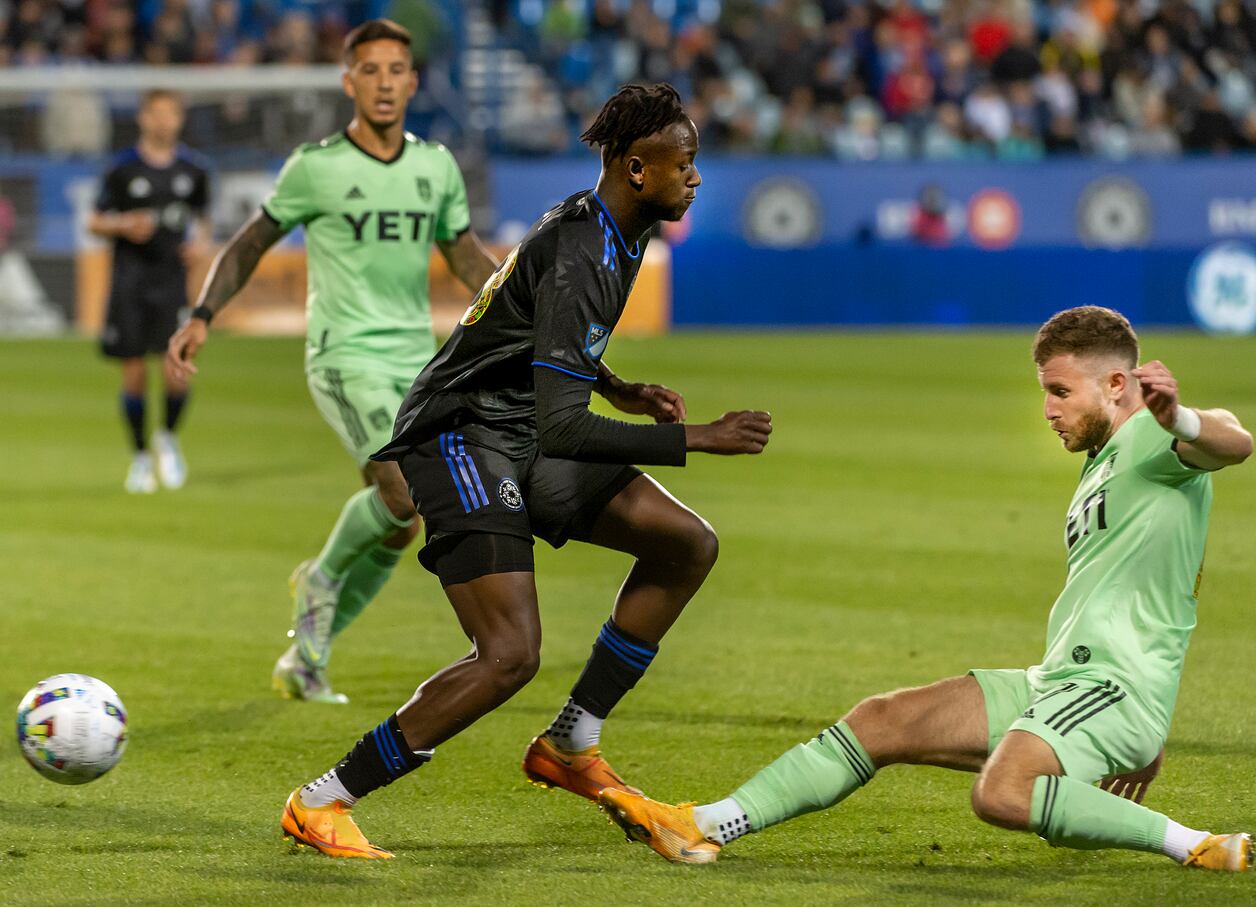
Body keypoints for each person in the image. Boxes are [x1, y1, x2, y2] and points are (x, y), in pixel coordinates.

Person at [277, 83, 774, 860]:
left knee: (685, 543)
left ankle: (572, 742)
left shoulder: (617, 224)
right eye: (686, 163)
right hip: (460, 434)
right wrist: (698, 438)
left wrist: (618, 385)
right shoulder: (585, 243)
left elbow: (538, 333)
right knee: (509, 654)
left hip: (517, 431)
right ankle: (323, 799)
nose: (696, 177)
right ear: (638, 167)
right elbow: (563, 424)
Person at [600, 305, 1256, 873]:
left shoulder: (1156, 440)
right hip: (1068, 682)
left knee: (1004, 791)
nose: (1049, 410)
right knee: (883, 719)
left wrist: (1183, 420)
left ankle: (1196, 843)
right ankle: (704, 825)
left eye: (1060, 391)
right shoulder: (1107, 459)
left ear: (1117, 383)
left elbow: (1235, 439)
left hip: (1109, 689)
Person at [166, 19, 498, 703]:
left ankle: (307, 656)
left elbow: (463, 253)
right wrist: (202, 314)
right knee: (403, 490)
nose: (383, 83)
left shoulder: (434, 166)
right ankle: (319, 579)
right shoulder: (316, 166)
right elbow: (250, 242)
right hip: (344, 355)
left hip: (418, 361)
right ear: (349, 82)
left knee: (403, 520)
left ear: (411, 81)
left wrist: (520, 310)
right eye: (369, 71)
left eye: (395, 70)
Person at [89, 89, 210, 493]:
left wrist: (201, 246)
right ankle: (140, 456)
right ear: (143, 118)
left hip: (172, 284)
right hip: (130, 283)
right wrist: (123, 225)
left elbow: (204, 221)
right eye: (156, 113)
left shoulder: (193, 170)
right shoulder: (122, 169)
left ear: (179, 119)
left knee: (177, 373)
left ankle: (169, 438)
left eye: (170, 114)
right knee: (135, 371)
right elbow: (94, 221)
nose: (163, 121)